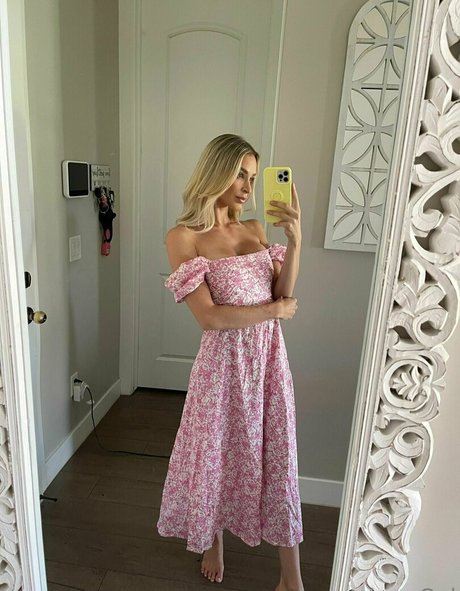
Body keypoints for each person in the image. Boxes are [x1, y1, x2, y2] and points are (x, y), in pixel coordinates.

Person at [156, 133, 304, 591]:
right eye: (240, 174)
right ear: (215, 170)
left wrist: (295, 240)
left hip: (268, 364)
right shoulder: (184, 238)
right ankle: (213, 539)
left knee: (279, 459)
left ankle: (291, 579)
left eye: (253, 178)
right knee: (216, 455)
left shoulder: (255, 229)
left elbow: (283, 293)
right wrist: (274, 312)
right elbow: (210, 318)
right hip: (221, 371)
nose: (247, 187)